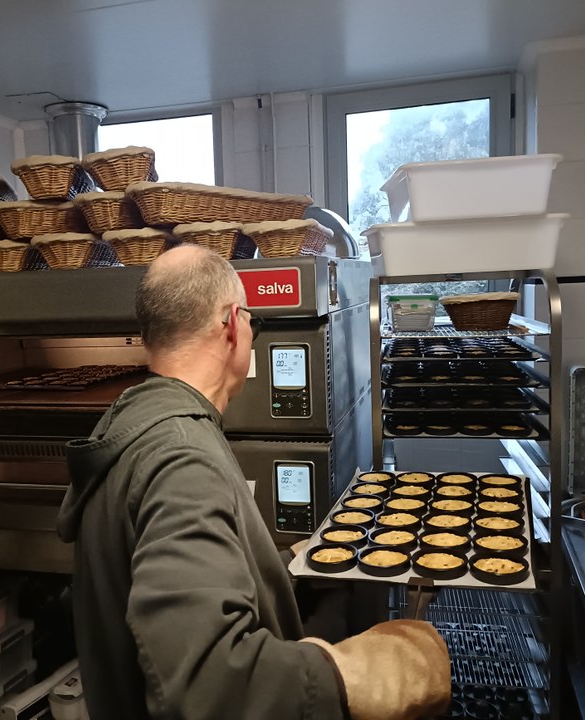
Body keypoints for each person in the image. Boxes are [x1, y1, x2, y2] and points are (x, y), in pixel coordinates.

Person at [57, 244, 450, 720]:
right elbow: (210, 684)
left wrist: (285, 569)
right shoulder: (182, 461)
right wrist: (349, 675)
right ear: (232, 324)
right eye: (251, 321)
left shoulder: (136, 427)